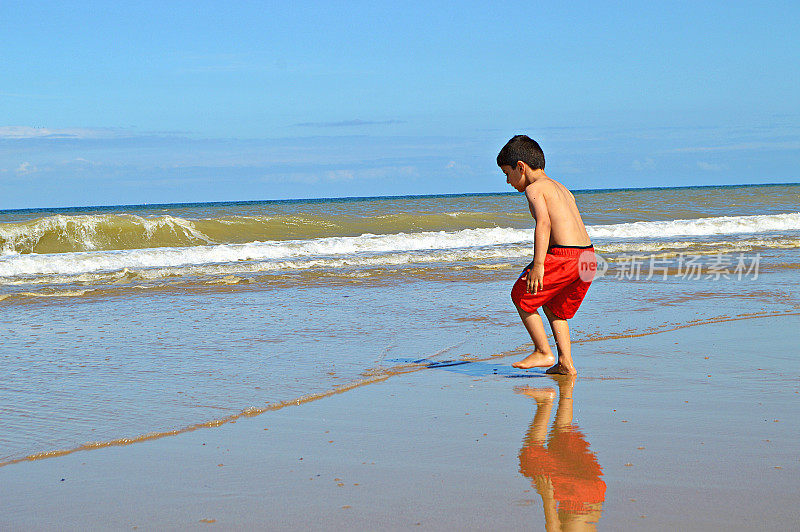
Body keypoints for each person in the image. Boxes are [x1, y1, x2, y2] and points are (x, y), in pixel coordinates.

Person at [497, 135, 596, 375]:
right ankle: (565, 363)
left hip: (567, 257)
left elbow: (544, 224)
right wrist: (537, 262)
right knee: (555, 307)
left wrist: (539, 265)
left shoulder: (534, 189)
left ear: (521, 166)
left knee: (521, 295)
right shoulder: (561, 188)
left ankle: (542, 351)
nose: (508, 181)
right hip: (588, 258)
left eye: (507, 173)